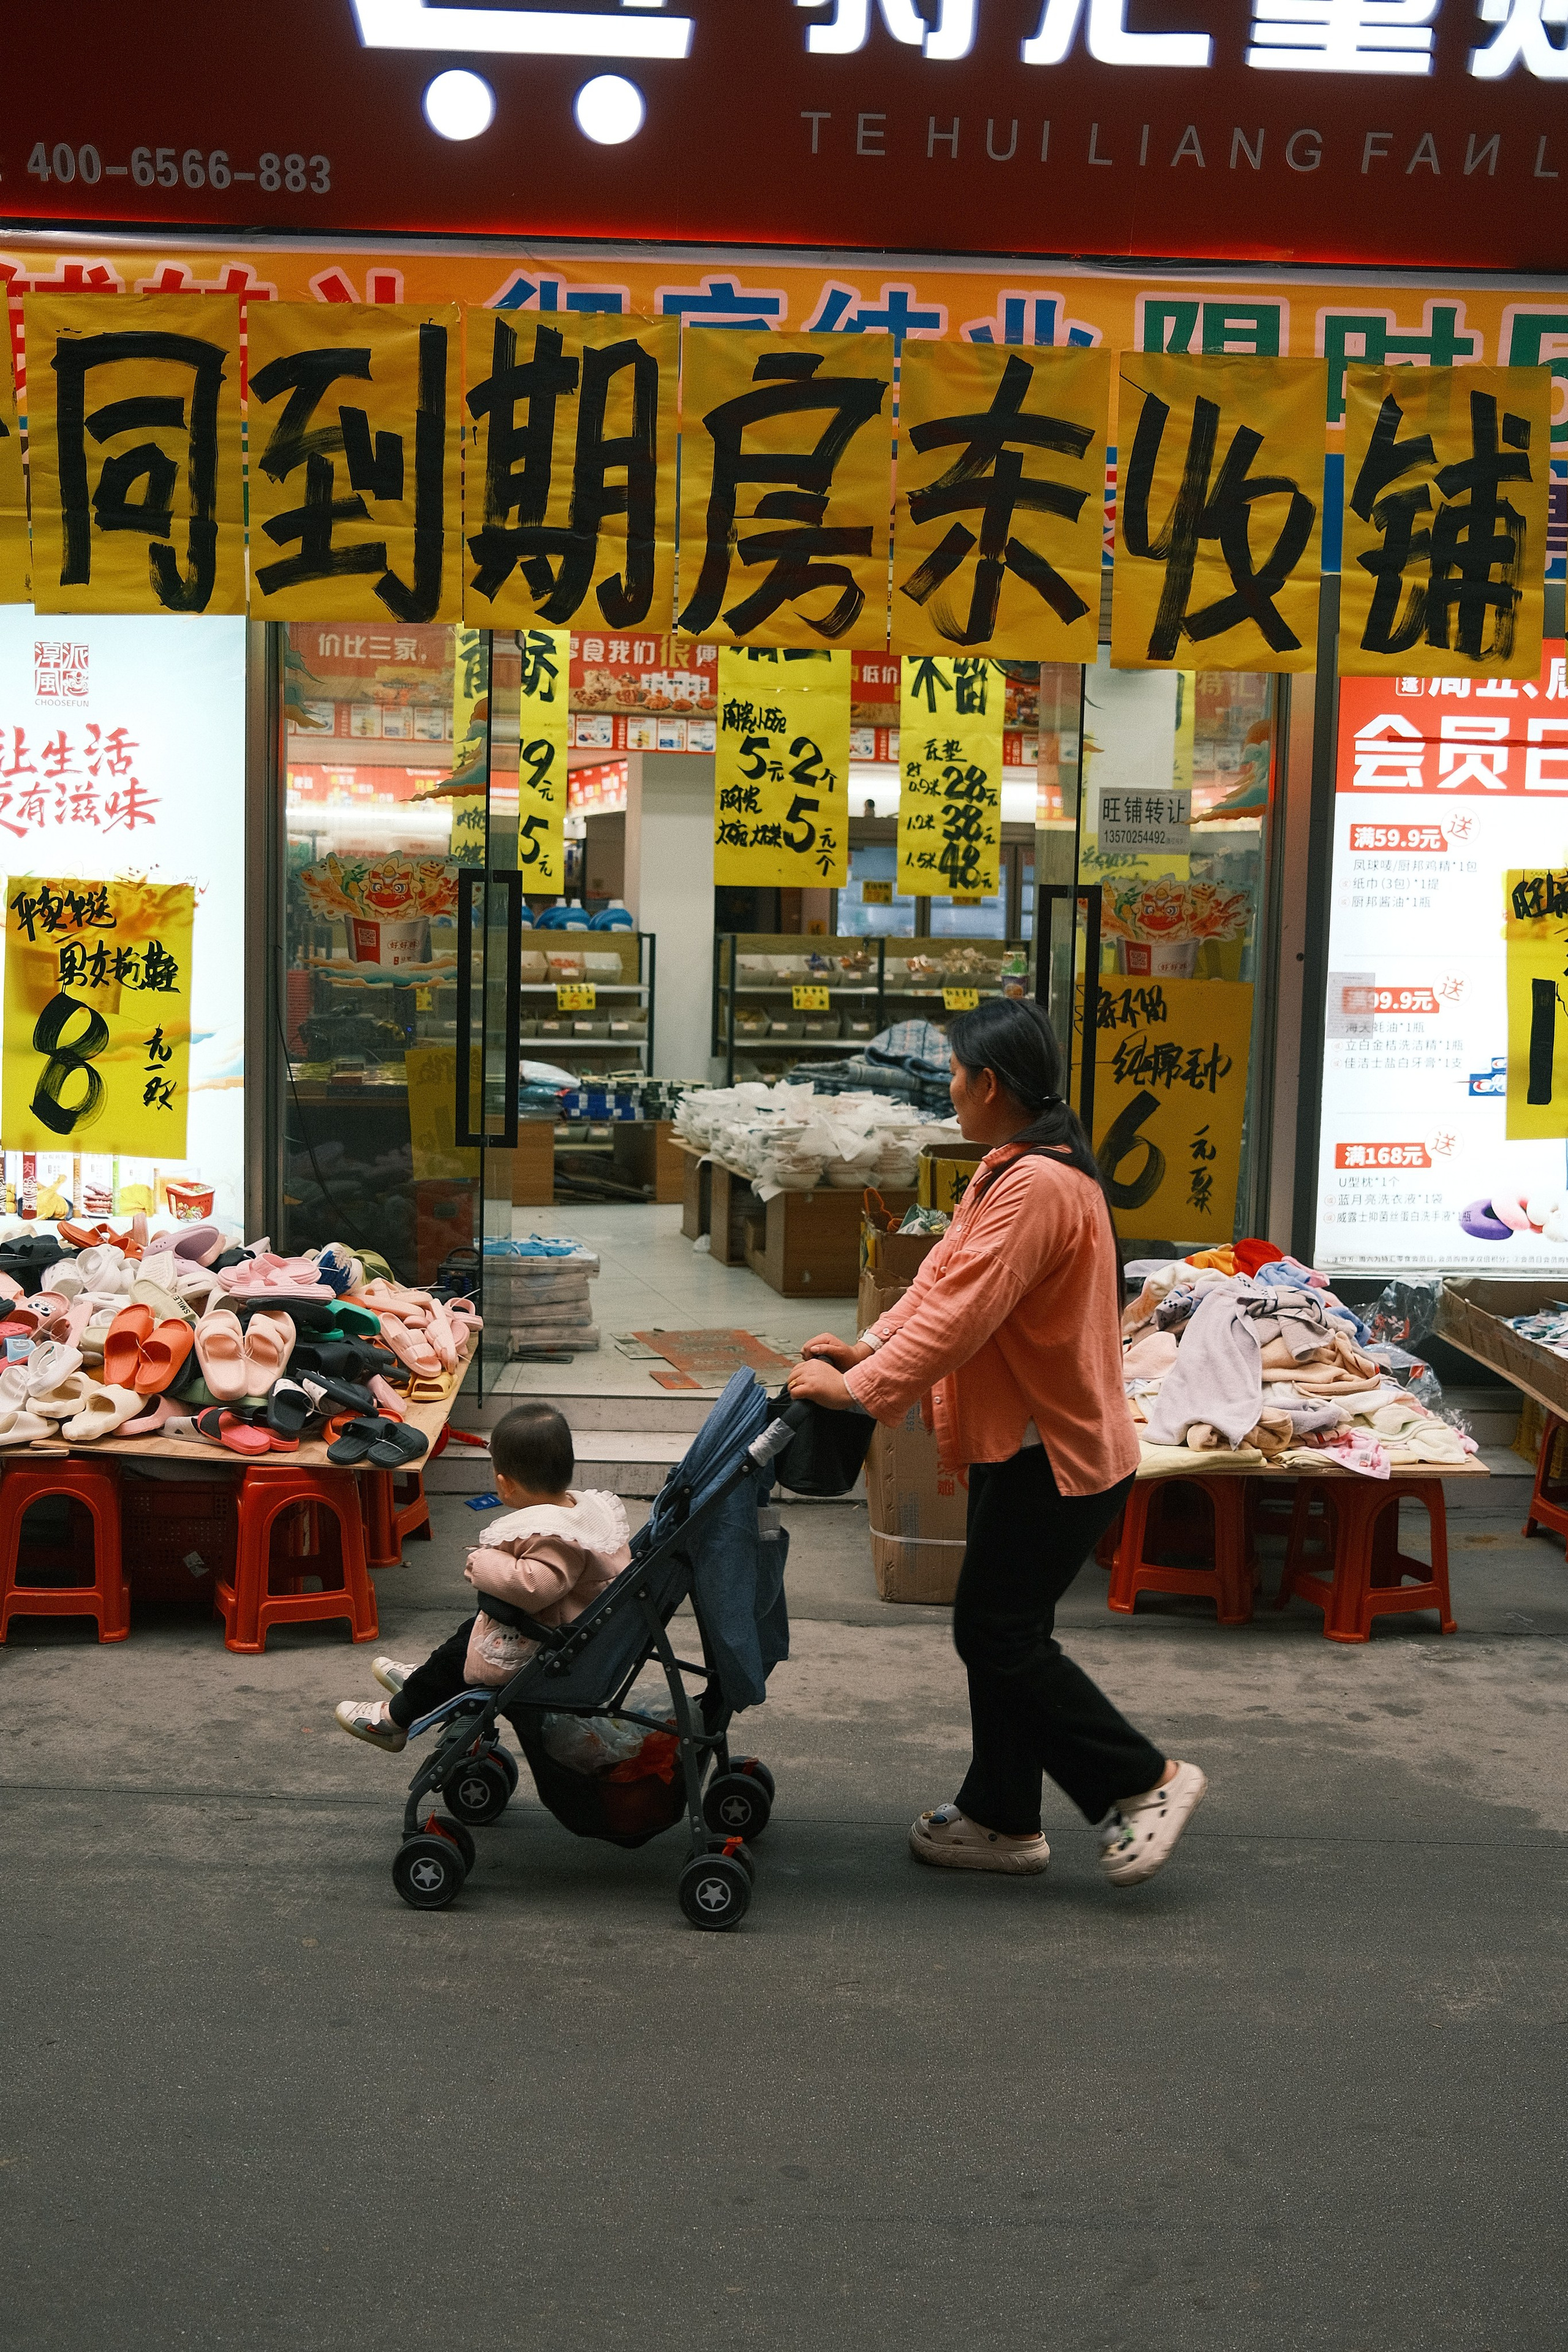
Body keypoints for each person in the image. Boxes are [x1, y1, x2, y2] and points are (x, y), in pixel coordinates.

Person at [788, 997, 1206, 1888]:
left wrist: (861, 1392)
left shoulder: (1039, 1186)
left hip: (1056, 1454)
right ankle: (1003, 1815)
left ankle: (1144, 1781)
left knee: (998, 1634)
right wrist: (868, 1346)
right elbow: (938, 1282)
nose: (947, 1085)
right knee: (1004, 1631)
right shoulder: (1008, 1170)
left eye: (953, 1071)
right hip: (1021, 1447)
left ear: (990, 1083)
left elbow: (963, 1316)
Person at [333, 1401, 631, 1752]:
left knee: (457, 1658)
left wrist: (482, 1562)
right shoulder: (576, 1515)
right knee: (467, 1634)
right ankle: (422, 1678)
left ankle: (393, 1721)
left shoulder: (554, 1536)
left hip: (540, 1648)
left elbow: (536, 1584)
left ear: (505, 1484)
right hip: (552, 1631)